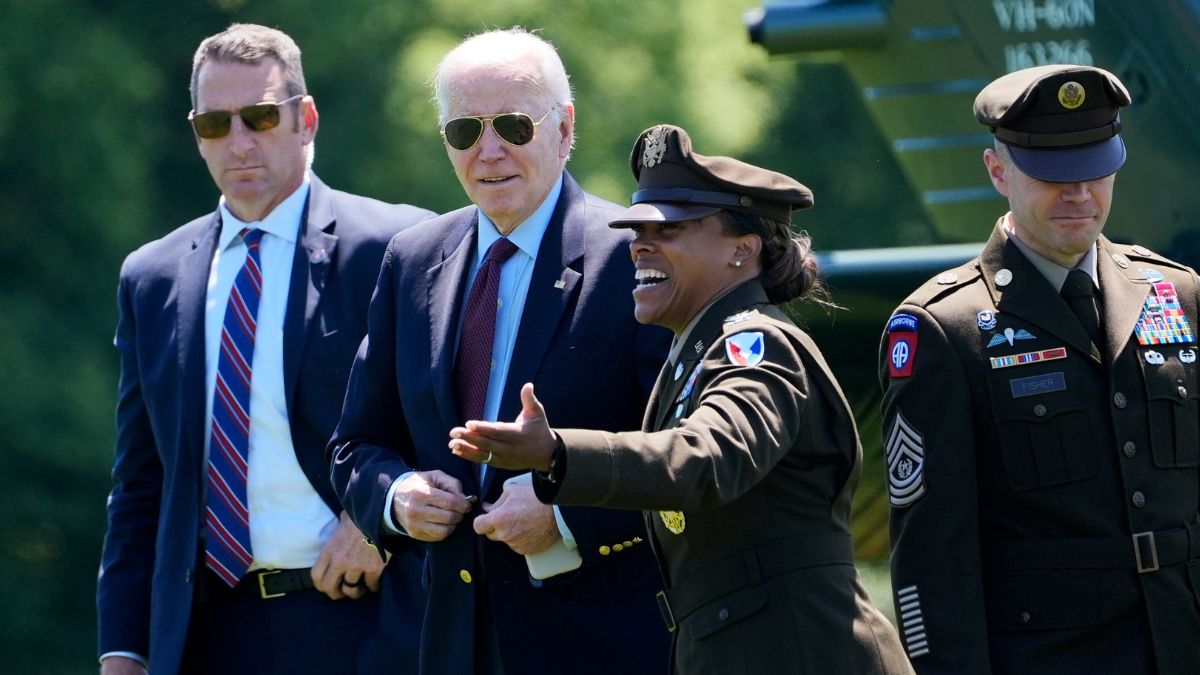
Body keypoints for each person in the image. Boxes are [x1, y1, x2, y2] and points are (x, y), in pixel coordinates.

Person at [448, 124, 914, 675]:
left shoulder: (756, 344)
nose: (641, 243)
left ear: (743, 250)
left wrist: (558, 454)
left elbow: (704, 459)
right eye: (637, 228)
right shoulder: (695, 357)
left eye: (670, 230)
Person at [328, 28, 672, 675]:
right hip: (438, 643)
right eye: (465, 131)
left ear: (565, 128)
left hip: (594, 641)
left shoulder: (635, 257)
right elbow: (356, 445)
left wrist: (564, 518)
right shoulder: (411, 259)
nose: (489, 151)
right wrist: (397, 497)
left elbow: (679, 452)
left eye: (513, 125)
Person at [96, 23, 435, 675]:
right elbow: (141, 483)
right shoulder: (152, 276)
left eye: (259, 116)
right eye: (215, 124)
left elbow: (445, 422)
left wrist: (377, 520)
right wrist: (124, 649)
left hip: (360, 620)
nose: (239, 141)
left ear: (305, 120)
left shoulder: (399, 247)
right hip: (202, 633)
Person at [878, 64, 1200, 674]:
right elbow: (930, 559)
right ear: (998, 171)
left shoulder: (1178, 295)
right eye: (1053, 174)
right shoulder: (946, 328)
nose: (1079, 192)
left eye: (1094, 169)